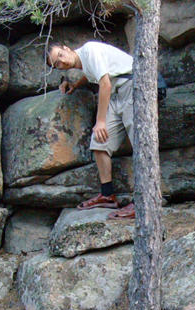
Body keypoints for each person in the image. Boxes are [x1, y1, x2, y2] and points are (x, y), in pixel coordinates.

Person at [46, 40, 136, 220]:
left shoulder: (90, 50)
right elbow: (92, 73)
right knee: (99, 143)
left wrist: (100, 120)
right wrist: (76, 84)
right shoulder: (84, 63)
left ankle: (143, 200)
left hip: (132, 86)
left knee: (140, 144)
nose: (61, 63)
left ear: (66, 48)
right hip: (116, 95)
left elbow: (105, 84)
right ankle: (107, 194)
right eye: (57, 64)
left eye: (60, 56)